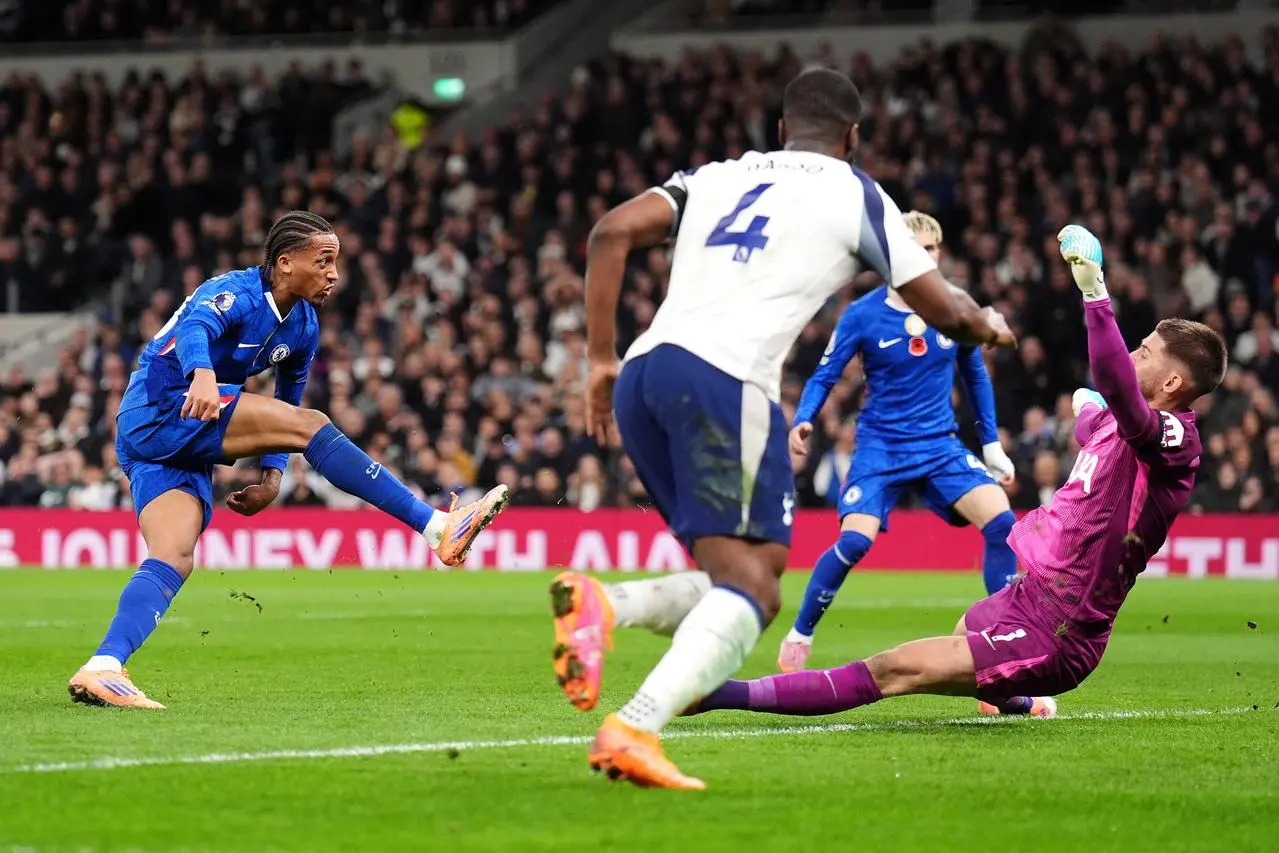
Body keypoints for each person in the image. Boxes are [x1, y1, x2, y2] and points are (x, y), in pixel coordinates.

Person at [548, 68, 1016, 790]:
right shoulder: (856, 192)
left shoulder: (714, 175)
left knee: (734, 572)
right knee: (757, 591)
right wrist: (988, 324)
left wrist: (601, 359)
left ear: (778, 131)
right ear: (852, 138)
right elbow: (946, 310)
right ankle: (634, 725)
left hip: (645, 371)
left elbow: (609, 231)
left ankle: (607, 604)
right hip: (725, 382)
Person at [683, 225, 1226, 727]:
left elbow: (1113, 387)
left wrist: (1094, 293)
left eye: (1145, 352)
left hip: (1061, 628)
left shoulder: (1175, 440)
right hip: (1030, 596)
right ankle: (1021, 703)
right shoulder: (1122, 422)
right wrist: (1083, 412)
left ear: (1173, 381)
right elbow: (1096, 421)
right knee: (969, 624)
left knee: (894, 668)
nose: (1133, 353)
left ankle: (715, 693)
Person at [68, 211, 509, 710]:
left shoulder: (302, 326)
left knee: (174, 556)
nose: (334, 274)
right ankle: (434, 526)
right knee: (316, 425)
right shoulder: (236, 291)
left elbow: (287, 402)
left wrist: (273, 475)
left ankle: (104, 666)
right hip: (164, 406)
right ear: (284, 263)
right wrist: (202, 375)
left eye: (336, 263)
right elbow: (194, 328)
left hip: (170, 437)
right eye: (323, 262)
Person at [778, 211, 1018, 673]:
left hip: (939, 445)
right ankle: (800, 633)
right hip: (881, 449)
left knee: (1003, 523)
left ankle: (997, 650)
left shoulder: (954, 305)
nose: (926, 257)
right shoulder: (863, 314)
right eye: (917, 249)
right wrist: (804, 418)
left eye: (932, 249)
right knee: (855, 542)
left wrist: (990, 445)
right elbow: (825, 373)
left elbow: (974, 376)